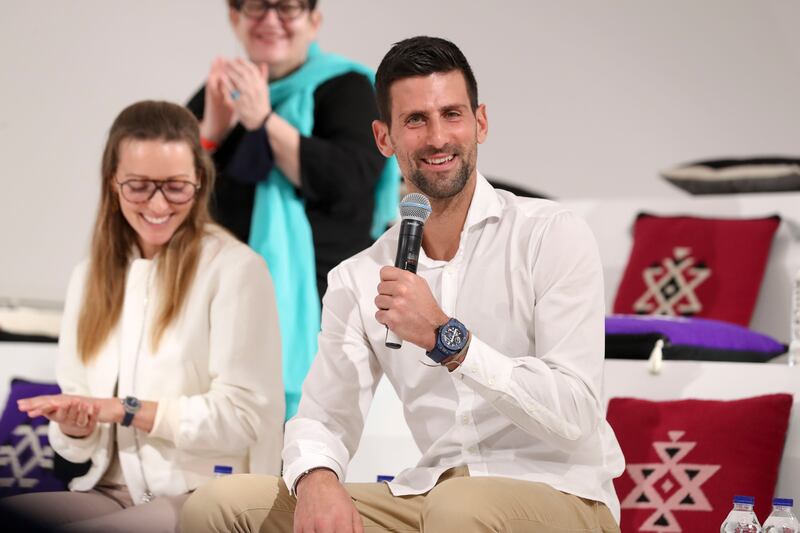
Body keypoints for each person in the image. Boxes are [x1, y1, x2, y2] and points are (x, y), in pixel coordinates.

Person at [180, 36, 624, 532]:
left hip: (561, 494)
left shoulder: (550, 234)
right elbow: (323, 415)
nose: (437, 138)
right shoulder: (359, 277)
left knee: (457, 508)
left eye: (452, 115)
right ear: (383, 138)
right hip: (432, 495)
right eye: (415, 120)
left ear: (480, 123)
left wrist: (447, 340)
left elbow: (576, 411)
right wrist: (318, 478)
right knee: (219, 506)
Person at [5, 100, 284, 533]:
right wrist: (77, 428)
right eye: (138, 185)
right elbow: (78, 450)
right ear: (113, 184)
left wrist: (126, 410)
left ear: (200, 182)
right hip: (109, 490)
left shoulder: (235, 269)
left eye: (175, 186)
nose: (157, 204)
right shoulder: (89, 277)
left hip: (206, 495)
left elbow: (244, 418)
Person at [187, 0, 401, 419]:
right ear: (235, 18)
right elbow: (173, 196)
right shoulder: (220, 93)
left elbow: (348, 180)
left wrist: (263, 120)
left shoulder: (350, 88)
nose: (270, 20)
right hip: (224, 303)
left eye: (286, 8)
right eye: (255, 8)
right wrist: (210, 133)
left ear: (314, 20)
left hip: (326, 305)